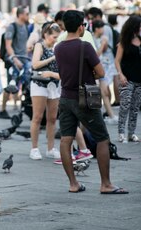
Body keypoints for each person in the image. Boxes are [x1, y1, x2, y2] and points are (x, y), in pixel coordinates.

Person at [54, 10, 128, 194]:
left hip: (65, 97)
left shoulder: (58, 47)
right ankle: (106, 184)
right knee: (102, 138)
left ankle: (73, 183)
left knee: (66, 140)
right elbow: (101, 73)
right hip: (86, 97)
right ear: (81, 27)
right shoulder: (85, 46)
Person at [29, 22, 61, 160]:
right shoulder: (39, 45)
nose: (55, 39)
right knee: (37, 117)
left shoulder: (58, 47)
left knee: (52, 118)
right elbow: (35, 64)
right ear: (46, 35)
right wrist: (53, 58)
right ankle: (34, 148)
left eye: (57, 37)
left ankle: (50, 148)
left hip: (54, 84)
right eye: (53, 37)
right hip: (39, 83)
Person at [0, 6, 30, 119]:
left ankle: (22, 108)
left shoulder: (26, 26)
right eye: (27, 13)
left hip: (24, 60)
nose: (28, 16)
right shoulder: (12, 27)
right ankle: (2, 110)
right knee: (10, 85)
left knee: (24, 84)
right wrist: (15, 59)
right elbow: (8, 46)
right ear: (21, 14)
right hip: (13, 61)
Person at [115, 15, 141, 143]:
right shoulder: (124, 42)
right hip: (127, 79)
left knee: (135, 107)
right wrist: (120, 74)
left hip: (139, 80)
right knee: (125, 106)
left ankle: (131, 133)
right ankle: (121, 132)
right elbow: (117, 61)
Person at [92, 19, 118, 124]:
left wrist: (104, 43)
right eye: (101, 27)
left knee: (104, 92)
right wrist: (102, 44)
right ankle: (106, 115)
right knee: (99, 93)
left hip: (103, 68)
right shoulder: (92, 39)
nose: (103, 29)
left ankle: (109, 114)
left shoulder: (103, 38)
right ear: (97, 29)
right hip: (96, 69)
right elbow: (96, 55)